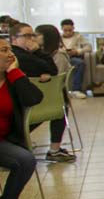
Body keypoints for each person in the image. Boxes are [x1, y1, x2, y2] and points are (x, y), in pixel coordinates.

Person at [8, 22, 74, 162]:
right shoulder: (18, 56)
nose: (31, 39)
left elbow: (51, 70)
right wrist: (38, 52)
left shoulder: (29, 55)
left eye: (33, 35)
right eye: (27, 36)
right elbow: (52, 69)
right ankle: (52, 150)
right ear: (14, 39)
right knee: (59, 106)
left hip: (30, 108)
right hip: (21, 110)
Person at [0, 38, 42, 199]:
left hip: (3, 142)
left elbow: (34, 98)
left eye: (10, 50)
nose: (10, 54)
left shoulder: (12, 80)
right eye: (3, 50)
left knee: (26, 160)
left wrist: (15, 72)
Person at [60, 18, 91, 99]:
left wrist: (78, 51)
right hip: (62, 57)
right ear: (62, 29)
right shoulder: (58, 38)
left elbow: (89, 47)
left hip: (74, 57)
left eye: (70, 30)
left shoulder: (79, 36)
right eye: (65, 30)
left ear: (73, 28)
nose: (68, 32)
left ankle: (76, 89)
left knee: (80, 63)